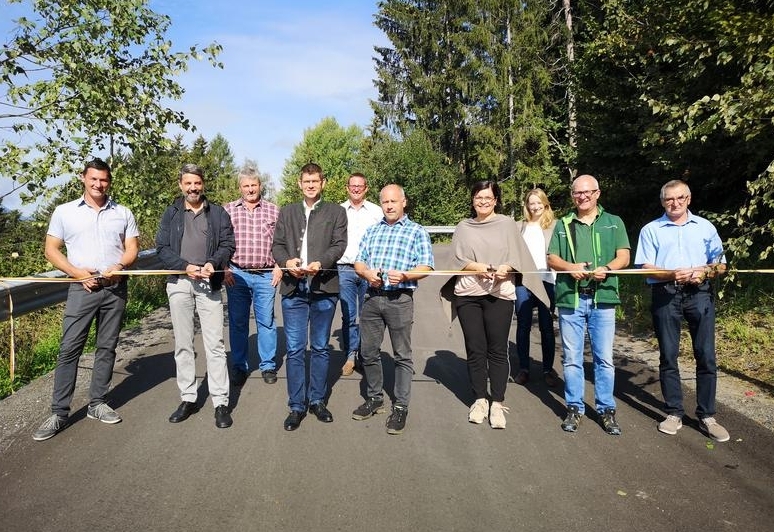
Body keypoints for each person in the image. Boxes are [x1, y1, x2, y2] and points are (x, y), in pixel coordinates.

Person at [32, 158, 139, 442]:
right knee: (69, 349)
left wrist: (120, 267)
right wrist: (76, 273)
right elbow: (51, 250)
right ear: (83, 178)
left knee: (107, 347)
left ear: (109, 181)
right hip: (82, 289)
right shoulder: (65, 212)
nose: (98, 184)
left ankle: (97, 404)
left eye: (103, 180)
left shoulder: (123, 212)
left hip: (114, 288)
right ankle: (59, 413)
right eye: (93, 179)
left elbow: (132, 248)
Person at [444, 181, 548, 429]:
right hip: (469, 294)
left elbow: (518, 256)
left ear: (496, 200)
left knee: (498, 349)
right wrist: (478, 267)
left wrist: (506, 268)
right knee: (475, 348)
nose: (483, 201)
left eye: (488, 198)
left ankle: (497, 402)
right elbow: (456, 259)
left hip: (500, 294)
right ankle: (480, 398)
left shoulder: (506, 224)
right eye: (478, 197)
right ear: (472, 200)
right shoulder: (463, 227)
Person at [634, 180, 729, 442]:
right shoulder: (651, 230)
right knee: (668, 355)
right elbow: (645, 267)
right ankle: (674, 412)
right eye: (669, 199)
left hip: (699, 293)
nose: (674, 203)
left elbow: (720, 265)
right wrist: (670, 273)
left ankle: (707, 415)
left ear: (688, 198)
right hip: (665, 293)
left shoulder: (705, 227)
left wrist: (704, 271)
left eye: (679, 198)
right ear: (662, 201)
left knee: (706, 355)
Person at [547, 174, 630, 436]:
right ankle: (574, 407)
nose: (582, 197)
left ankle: (606, 409)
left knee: (604, 358)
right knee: (572, 358)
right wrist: (569, 267)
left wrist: (607, 268)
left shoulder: (613, 222)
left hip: (602, 298)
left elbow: (624, 256)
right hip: (570, 299)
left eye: (587, 192)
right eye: (577, 193)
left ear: (597, 193)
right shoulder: (563, 223)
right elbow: (552, 257)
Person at [156, 163, 235, 429]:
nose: (193, 188)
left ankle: (221, 401)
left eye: (197, 183)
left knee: (214, 344)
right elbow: (161, 248)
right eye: (188, 183)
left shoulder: (218, 213)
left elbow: (228, 244)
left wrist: (214, 262)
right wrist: (184, 266)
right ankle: (188, 398)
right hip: (179, 282)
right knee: (183, 344)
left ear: (203, 184)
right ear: (181, 185)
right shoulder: (171, 213)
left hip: (208, 283)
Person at [351, 184, 434, 435]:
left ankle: (400, 406)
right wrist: (367, 273)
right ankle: (375, 398)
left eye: (393, 201)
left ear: (403, 202)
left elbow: (427, 266)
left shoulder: (417, 231)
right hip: (372, 297)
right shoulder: (372, 231)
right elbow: (359, 261)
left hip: (400, 299)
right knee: (368, 352)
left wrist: (407, 275)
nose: (389, 206)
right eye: (385, 202)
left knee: (402, 355)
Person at [271, 163, 347, 431]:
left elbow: (339, 245)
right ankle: (296, 406)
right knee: (294, 349)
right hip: (294, 288)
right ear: (299, 183)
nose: (311, 185)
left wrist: (320, 261)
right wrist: (286, 260)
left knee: (320, 347)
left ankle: (317, 400)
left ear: (323, 183)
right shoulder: (288, 211)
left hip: (324, 287)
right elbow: (277, 244)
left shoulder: (336, 212)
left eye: (315, 181)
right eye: (307, 181)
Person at [223, 166, 282, 387]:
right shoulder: (228, 210)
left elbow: (282, 241)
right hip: (236, 274)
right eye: (246, 186)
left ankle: (268, 365)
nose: (250, 189)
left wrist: (279, 266)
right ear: (240, 187)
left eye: (253, 185)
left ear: (260, 186)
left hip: (266, 275)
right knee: (238, 323)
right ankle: (239, 366)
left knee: (266, 321)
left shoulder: (274, 210)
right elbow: (220, 242)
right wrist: (224, 267)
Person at [337, 173, 383, 376]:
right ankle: (350, 356)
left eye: (360, 186)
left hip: (368, 271)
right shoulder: (338, 211)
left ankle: (366, 356)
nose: (356, 189)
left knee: (367, 316)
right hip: (344, 269)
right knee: (348, 316)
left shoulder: (376, 211)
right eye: (352, 185)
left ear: (366, 188)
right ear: (347, 188)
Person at [514, 188, 559, 387]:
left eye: (538, 202)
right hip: (524, 283)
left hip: (547, 282)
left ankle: (548, 369)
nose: (535, 206)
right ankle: (524, 368)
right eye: (531, 203)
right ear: (527, 205)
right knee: (522, 326)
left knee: (546, 327)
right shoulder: (519, 227)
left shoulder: (555, 226)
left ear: (545, 203)